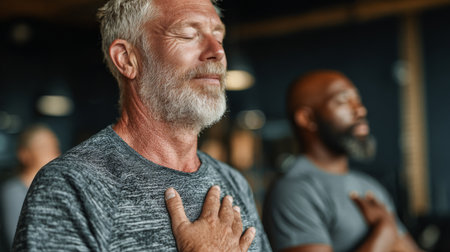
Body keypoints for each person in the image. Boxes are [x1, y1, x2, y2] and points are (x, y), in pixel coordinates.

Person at [13, 0, 270, 251]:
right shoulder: (70, 184)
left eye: (219, 35)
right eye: (188, 34)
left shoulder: (232, 181)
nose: (217, 52)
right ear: (127, 59)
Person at [263, 70, 421, 252]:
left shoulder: (368, 186)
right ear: (307, 118)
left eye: (358, 100)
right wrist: (384, 230)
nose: (361, 109)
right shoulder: (293, 190)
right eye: (343, 101)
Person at [0, 124, 60, 250]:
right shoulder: (13, 192)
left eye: (55, 147)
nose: (53, 153)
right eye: (44, 148)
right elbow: (23, 243)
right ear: (24, 154)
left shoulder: (56, 189)